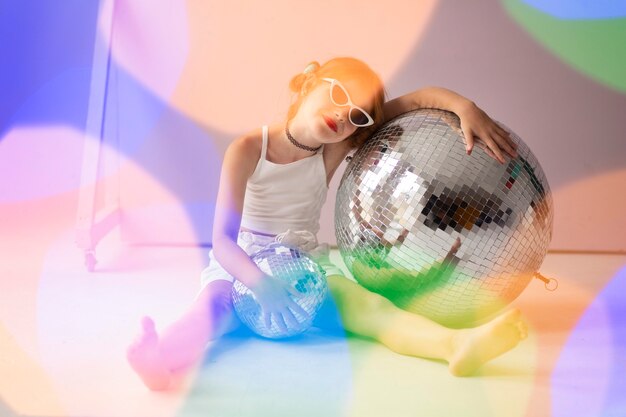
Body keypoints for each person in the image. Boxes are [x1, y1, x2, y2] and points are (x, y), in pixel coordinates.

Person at [127, 57, 528, 391]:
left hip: (306, 267)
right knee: (210, 310)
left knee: (370, 308)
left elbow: (418, 100)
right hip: (242, 265)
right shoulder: (248, 149)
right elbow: (221, 242)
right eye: (338, 94)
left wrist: (466, 109)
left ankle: (455, 346)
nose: (343, 114)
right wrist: (260, 283)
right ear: (307, 83)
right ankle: (158, 358)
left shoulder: (335, 149)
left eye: (356, 114)